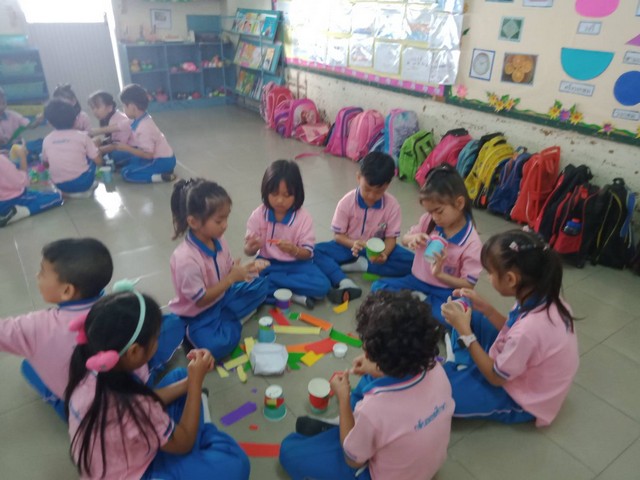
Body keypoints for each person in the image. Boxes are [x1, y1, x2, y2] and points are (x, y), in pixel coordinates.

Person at [65, 289, 250, 479]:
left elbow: (145, 399)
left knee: (180, 376)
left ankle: (196, 439)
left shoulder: (93, 369)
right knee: (236, 464)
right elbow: (184, 443)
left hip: (126, 447)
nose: (158, 341)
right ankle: (201, 440)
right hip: (138, 472)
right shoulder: (134, 407)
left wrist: (191, 380)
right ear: (134, 352)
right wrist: (195, 383)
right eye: (156, 338)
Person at [279, 290, 453, 480]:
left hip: (381, 473)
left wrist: (343, 398)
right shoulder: (436, 369)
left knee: (289, 450)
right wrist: (374, 366)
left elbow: (352, 461)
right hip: (422, 463)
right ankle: (351, 431)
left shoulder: (374, 410)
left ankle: (347, 430)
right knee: (370, 380)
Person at [441, 229, 579, 426]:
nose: (488, 278)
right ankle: (464, 362)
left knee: (440, 396)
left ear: (511, 279)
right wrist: (487, 310)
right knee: (473, 314)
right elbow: (511, 328)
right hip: (517, 361)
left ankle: (462, 363)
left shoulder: (530, 330)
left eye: (490, 273)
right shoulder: (542, 297)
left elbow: (496, 378)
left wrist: (466, 333)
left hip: (521, 397)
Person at [371, 164, 482, 364]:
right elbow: (404, 239)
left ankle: (419, 310)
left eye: (439, 211)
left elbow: (468, 285)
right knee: (378, 287)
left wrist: (440, 275)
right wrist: (412, 239)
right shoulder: (428, 221)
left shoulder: (472, 243)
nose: (434, 218)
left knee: (459, 316)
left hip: (445, 291)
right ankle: (422, 310)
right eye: (430, 212)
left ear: (459, 203)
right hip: (417, 281)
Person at [0, 239, 112, 419]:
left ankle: (66, 410)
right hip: (124, 394)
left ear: (67, 291)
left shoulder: (36, 327)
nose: (37, 276)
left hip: (85, 412)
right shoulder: (118, 307)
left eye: (42, 272)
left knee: (28, 367)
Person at [169, 178, 269, 359]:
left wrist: (247, 269)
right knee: (217, 347)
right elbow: (200, 301)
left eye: (226, 218)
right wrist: (231, 278)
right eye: (218, 220)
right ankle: (199, 332)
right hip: (199, 314)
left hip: (223, 297)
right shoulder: (186, 259)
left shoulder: (219, 239)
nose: (225, 225)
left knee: (262, 285)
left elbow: (229, 268)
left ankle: (227, 320)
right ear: (194, 222)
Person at [314, 152, 414, 304]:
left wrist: (384, 254)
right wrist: (353, 243)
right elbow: (338, 236)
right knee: (314, 252)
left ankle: (361, 265)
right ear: (358, 177)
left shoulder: (392, 206)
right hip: (348, 246)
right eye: (367, 189)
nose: (371, 196)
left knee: (414, 263)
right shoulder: (346, 202)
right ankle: (344, 281)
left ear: (387, 185)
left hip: (377, 251)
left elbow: (391, 239)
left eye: (378, 191)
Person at [244, 159, 330, 309]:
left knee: (322, 286)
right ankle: (295, 294)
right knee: (245, 283)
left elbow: (308, 253)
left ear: (297, 194)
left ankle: (275, 287)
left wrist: (294, 250)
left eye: (287, 195)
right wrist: (251, 248)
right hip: (266, 263)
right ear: (266, 191)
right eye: (274, 193)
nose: (280, 200)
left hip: (296, 264)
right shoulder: (258, 215)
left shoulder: (303, 218)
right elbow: (248, 250)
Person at [105, 83, 176, 183]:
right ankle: (156, 171)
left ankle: (161, 176)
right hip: (160, 157)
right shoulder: (140, 118)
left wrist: (126, 148)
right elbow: (120, 126)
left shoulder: (144, 128)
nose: (123, 109)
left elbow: (148, 155)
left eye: (124, 106)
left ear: (133, 107)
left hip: (161, 161)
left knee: (126, 173)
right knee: (130, 160)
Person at [42, 99, 102, 197]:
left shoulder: (46, 140)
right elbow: (98, 161)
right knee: (92, 156)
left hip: (60, 185)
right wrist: (98, 150)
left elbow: (45, 164)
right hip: (83, 183)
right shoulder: (82, 136)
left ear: (49, 122)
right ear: (75, 119)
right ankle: (83, 190)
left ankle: (68, 192)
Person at [0, 151, 62, 227]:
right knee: (57, 197)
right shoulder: (2, 160)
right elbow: (24, 181)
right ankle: (23, 211)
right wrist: (23, 157)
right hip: (11, 201)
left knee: (39, 193)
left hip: (3, 201)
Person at [87, 90, 133, 162]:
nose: (94, 111)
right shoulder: (108, 118)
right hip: (123, 147)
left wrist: (98, 150)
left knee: (112, 155)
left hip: (133, 150)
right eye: (93, 108)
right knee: (96, 142)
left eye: (97, 107)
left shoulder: (120, 119)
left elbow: (119, 145)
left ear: (109, 107)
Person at [0, 86, 44, 160]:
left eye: (3, 97)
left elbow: (30, 125)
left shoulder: (12, 115)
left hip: (17, 146)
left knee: (42, 142)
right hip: (3, 150)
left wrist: (38, 121)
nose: (3, 99)